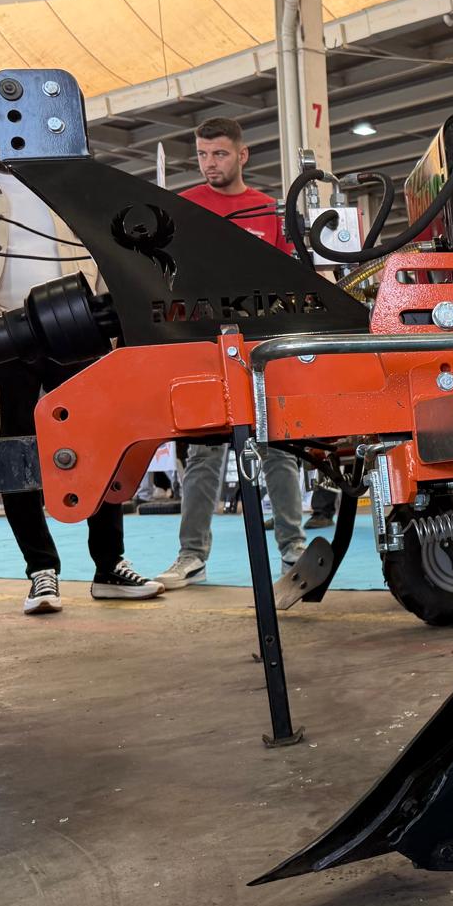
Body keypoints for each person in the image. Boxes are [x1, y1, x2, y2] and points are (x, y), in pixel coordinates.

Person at [0, 114, 163, 612]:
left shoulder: (73, 187)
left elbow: (110, 257)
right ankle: (41, 572)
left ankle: (109, 566)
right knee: (17, 454)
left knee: (101, 444)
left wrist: (114, 324)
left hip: (78, 332)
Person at [152, 118, 308, 590]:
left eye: (218, 154)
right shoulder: (184, 207)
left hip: (261, 344)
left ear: (242, 155)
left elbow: (290, 276)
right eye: (202, 155)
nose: (209, 164)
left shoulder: (269, 210)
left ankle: (294, 551)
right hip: (205, 343)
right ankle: (191, 555)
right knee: (204, 453)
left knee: (277, 446)